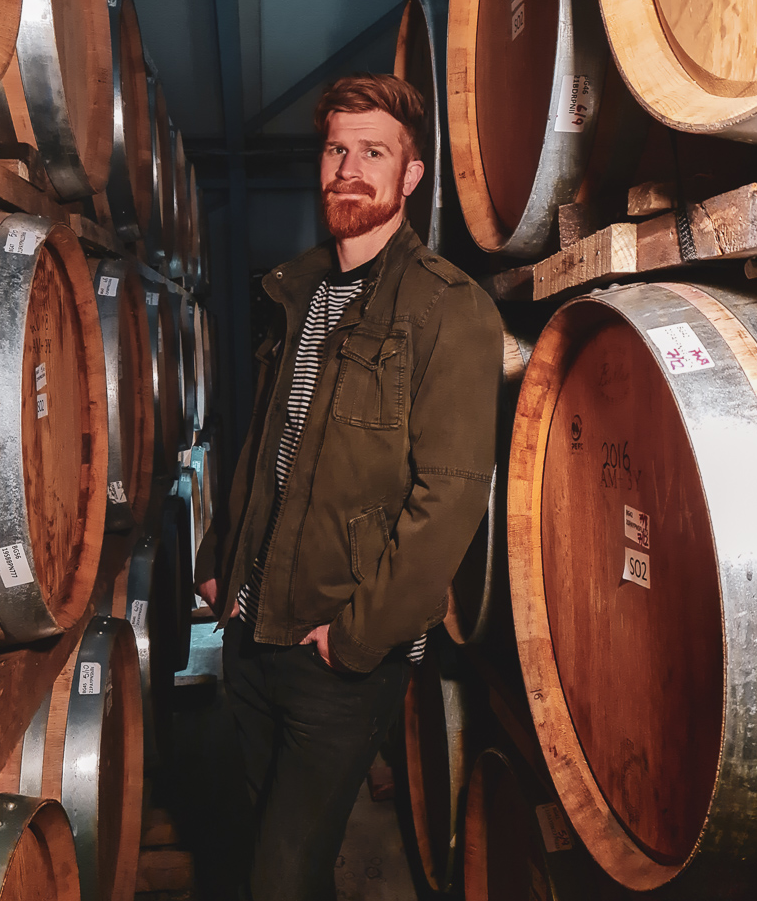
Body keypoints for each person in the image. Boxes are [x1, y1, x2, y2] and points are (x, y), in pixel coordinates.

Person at [195, 73, 502, 901]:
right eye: (337, 149)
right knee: (272, 844)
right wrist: (223, 560)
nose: (349, 168)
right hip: (252, 631)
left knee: (279, 878)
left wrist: (355, 640)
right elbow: (266, 445)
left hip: (339, 657)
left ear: (410, 177)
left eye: (374, 152)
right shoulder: (297, 291)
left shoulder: (451, 309)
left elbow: (451, 499)